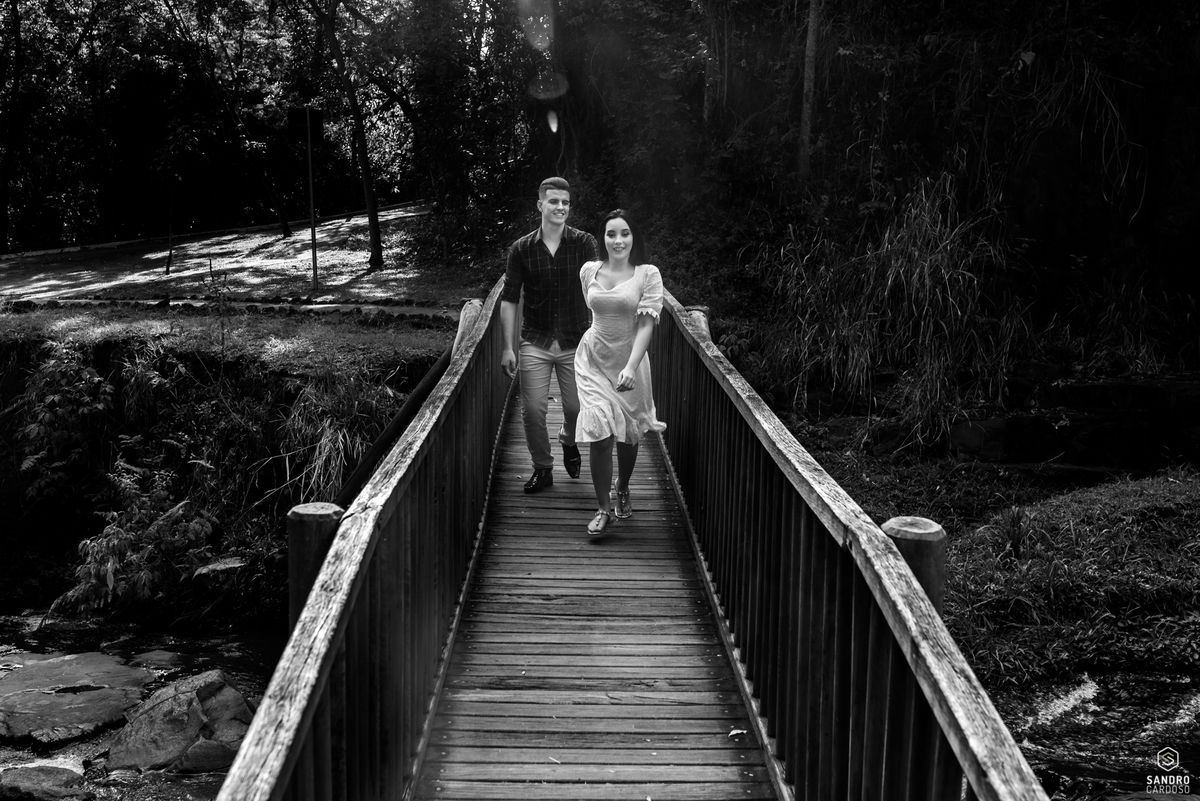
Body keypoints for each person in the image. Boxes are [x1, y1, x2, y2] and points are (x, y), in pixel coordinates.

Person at [500, 177, 601, 493]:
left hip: (575, 340)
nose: (560, 207)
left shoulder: (584, 244)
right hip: (535, 339)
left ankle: (568, 439)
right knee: (532, 411)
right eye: (554, 201)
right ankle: (542, 468)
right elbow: (509, 298)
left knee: (576, 408)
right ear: (540, 204)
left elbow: (598, 289)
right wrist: (507, 347)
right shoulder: (521, 248)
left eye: (565, 202)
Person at [573, 209, 666, 536]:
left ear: (633, 237)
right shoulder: (589, 270)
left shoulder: (647, 275)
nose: (618, 240)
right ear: (603, 238)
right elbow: (593, 309)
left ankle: (622, 486)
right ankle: (602, 508)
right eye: (611, 234)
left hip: (630, 363)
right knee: (599, 431)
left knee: (628, 435)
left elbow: (646, 325)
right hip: (593, 359)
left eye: (624, 233)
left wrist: (630, 366)